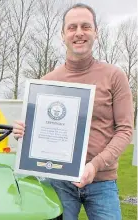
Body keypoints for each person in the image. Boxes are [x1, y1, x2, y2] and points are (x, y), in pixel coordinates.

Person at [12, 3, 134, 220]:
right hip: (59, 182)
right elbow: (41, 132)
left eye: (86, 26)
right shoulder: (46, 83)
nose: (79, 33)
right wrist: (25, 132)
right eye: (72, 27)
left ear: (96, 32)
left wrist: (95, 166)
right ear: (63, 34)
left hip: (102, 183)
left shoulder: (114, 76)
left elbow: (125, 130)